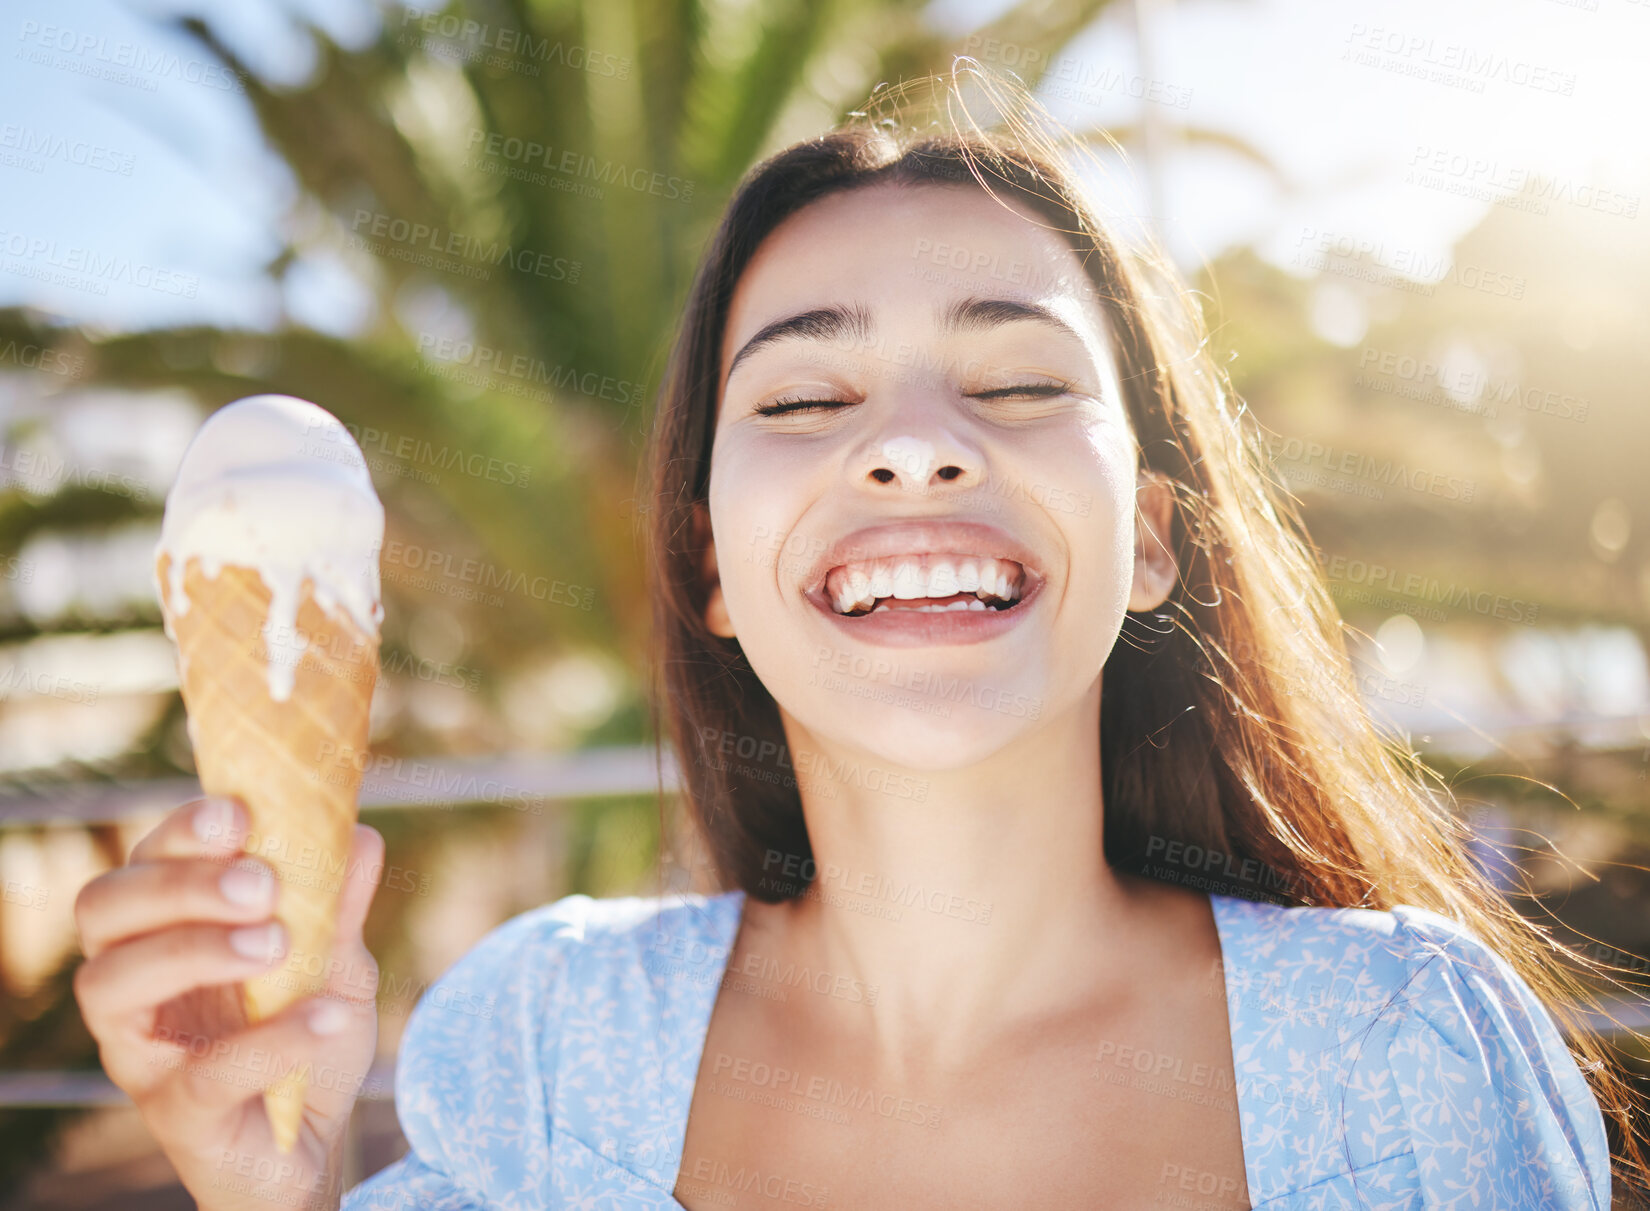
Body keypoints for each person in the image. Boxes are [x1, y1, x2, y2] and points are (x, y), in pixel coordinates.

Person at [73, 66, 1639, 1210]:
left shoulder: (1400, 1053)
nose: (909, 448)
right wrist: (257, 1187)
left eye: (1017, 382)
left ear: (1150, 536)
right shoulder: (546, 1044)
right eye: (806, 399)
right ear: (706, 568)